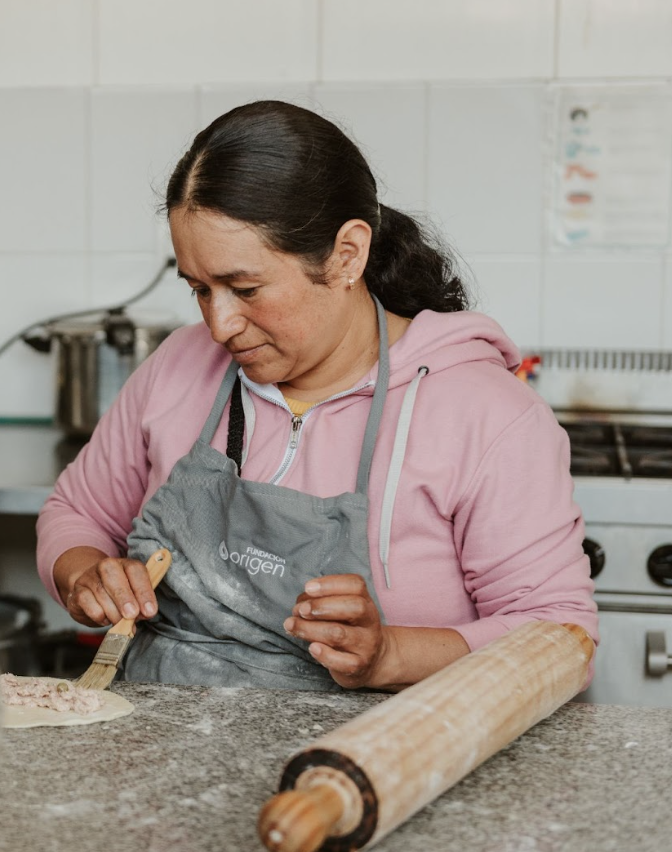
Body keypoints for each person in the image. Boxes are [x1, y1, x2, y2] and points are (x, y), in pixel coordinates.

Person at [36, 100, 598, 692]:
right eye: (199, 289)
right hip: (158, 744)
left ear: (347, 254)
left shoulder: (484, 414)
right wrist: (84, 575)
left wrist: (389, 655)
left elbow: (560, 637)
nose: (220, 325)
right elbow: (77, 514)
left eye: (245, 288)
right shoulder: (178, 366)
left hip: (370, 763)